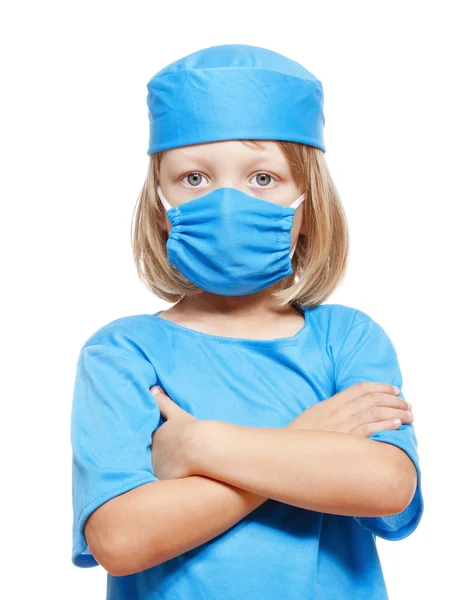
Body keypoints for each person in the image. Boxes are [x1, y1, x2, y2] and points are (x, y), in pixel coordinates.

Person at [70, 43, 424, 599]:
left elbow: (386, 484)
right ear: (159, 206)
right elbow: (120, 537)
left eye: (263, 178)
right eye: (194, 179)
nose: (228, 203)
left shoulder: (345, 339)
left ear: (307, 206)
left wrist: (199, 446)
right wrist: (307, 439)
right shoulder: (124, 351)